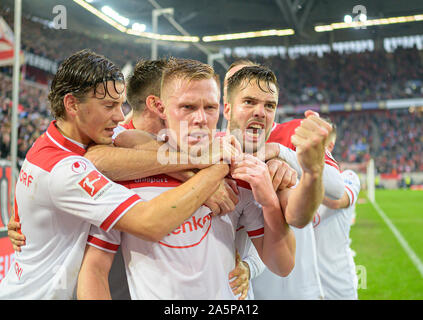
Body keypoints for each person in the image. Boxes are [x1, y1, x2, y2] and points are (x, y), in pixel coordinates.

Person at [0, 50, 231, 299]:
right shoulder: (67, 170)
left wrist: (190, 169)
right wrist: (213, 170)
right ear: (72, 104)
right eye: (109, 106)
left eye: (121, 105)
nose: (120, 116)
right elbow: (150, 223)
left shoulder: (57, 141)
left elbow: (126, 137)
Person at [77, 58, 298, 300]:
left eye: (210, 108)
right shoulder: (129, 171)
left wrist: (270, 203)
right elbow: (94, 268)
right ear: (161, 109)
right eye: (188, 107)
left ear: (221, 110)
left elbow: (282, 266)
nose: (201, 119)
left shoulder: (239, 169)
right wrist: (205, 170)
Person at [223, 62, 343, 300]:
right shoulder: (218, 145)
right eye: (247, 98)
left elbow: (336, 188)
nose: (258, 109)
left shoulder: (292, 132)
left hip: (297, 287)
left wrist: (281, 151)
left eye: (267, 102)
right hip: (251, 287)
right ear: (228, 101)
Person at [313, 126, 361, 300]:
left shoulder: (349, 177)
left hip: (338, 281)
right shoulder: (296, 178)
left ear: (329, 146)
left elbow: (336, 200)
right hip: (305, 282)